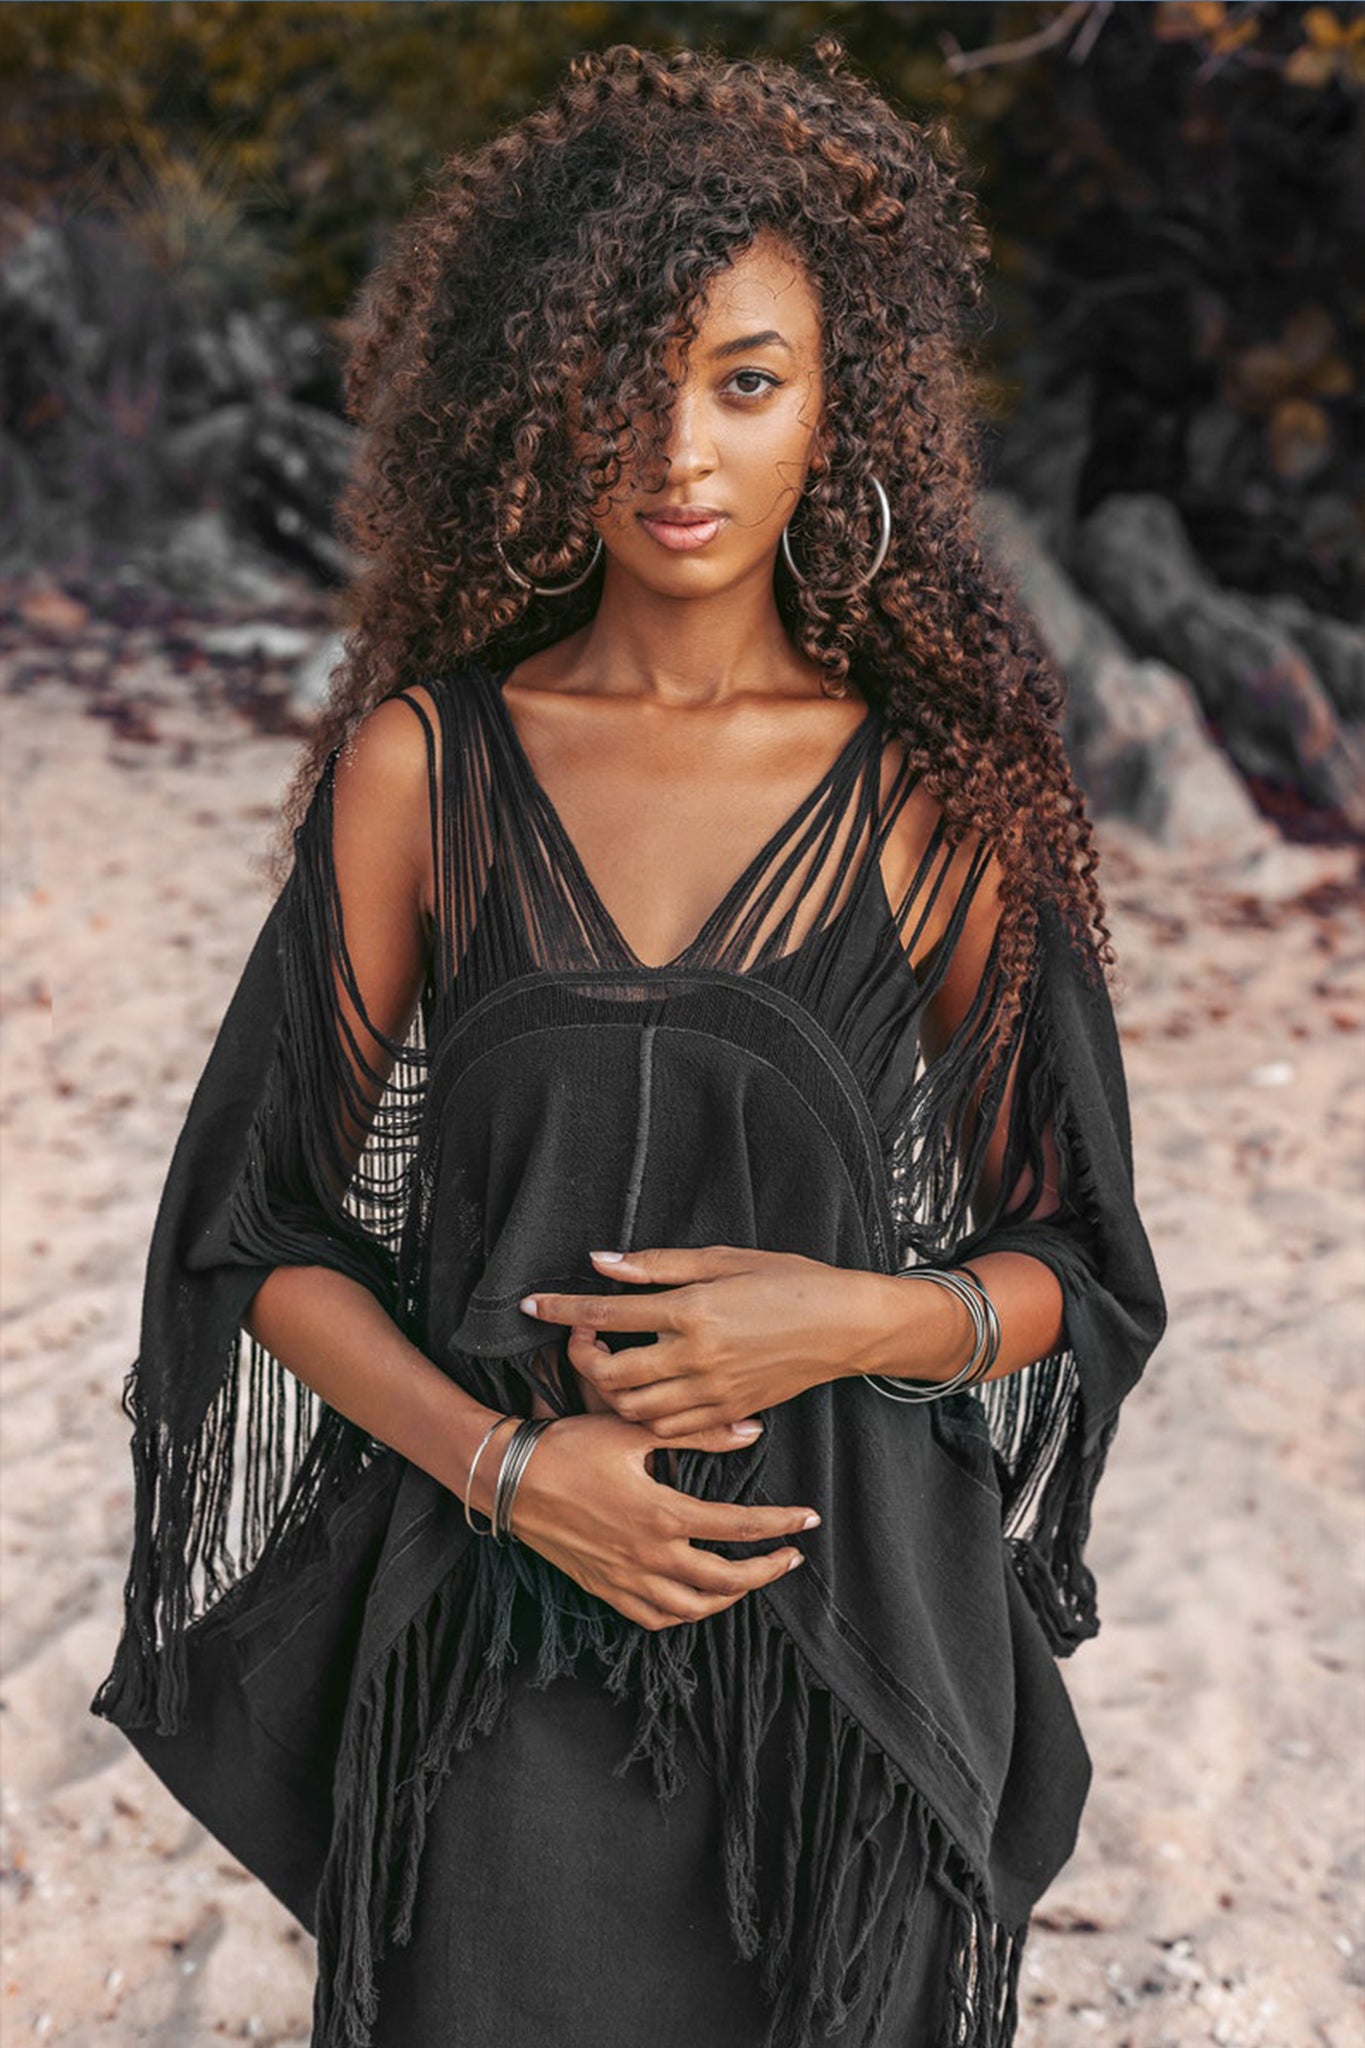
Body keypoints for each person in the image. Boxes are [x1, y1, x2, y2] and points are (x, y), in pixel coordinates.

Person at [90, 36, 1165, 2048]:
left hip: (852, 1652)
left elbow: (1078, 1268)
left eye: (742, 379)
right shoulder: (426, 771)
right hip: (492, 1656)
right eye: (623, 380)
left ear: (832, 400)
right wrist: (508, 1468)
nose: (679, 445)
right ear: (531, 403)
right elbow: (259, 1234)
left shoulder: (940, 808)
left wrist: (843, 1320)